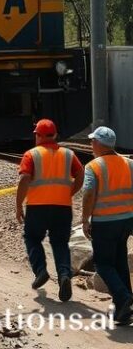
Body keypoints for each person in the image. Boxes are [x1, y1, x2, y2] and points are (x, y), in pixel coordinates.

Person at [15, 119, 83, 302]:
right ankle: (64, 276)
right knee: (60, 243)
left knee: (32, 238)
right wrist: (70, 192)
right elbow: (80, 174)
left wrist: (18, 205)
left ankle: (41, 271)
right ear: (55, 135)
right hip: (63, 207)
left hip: (37, 208)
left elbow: (24, 180)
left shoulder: (31, 154)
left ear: (37, 135)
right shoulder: (68, 154)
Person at [82, 126, 133, 324]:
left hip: (105, 221)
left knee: (103, 264)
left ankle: (123, 296)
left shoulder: (93, 166)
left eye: (92, 141)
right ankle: (124, 307)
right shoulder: (129, 163)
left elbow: (88, 194)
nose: (90, 144)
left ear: (98, 144)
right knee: (119, 258)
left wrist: (85, 219)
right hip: (127, 220)